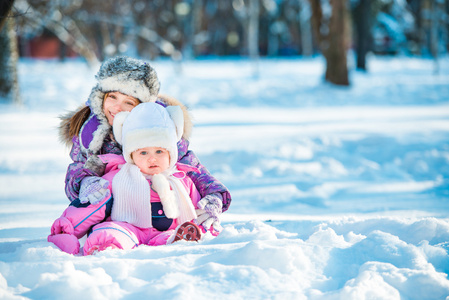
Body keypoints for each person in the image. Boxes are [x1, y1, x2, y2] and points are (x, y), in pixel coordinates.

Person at [59, 56, 230, 234]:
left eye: (129, 102)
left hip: (160, 215)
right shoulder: (90, 135)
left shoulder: (160, 129)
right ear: (100, 97)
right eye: (112, 97)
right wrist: (85, 182)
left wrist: (215, 196)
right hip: (116, 216)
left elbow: (192, 168)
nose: (117, 107)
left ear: (143, 107)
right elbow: (77, 170)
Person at [49, 102, 207, 255]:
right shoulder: (118, 178)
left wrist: (206, 226)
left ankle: (179, 240)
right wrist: (67, 227)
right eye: (143, 153)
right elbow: (92, 206)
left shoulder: (181, 180)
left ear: (171, 154)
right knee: (109, 232)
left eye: (159, 151)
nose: (152, 159)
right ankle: (107, 247)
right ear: (131, 155)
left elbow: (198, 212)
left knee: (175, 235)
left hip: (165, 233)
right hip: (127, 228)